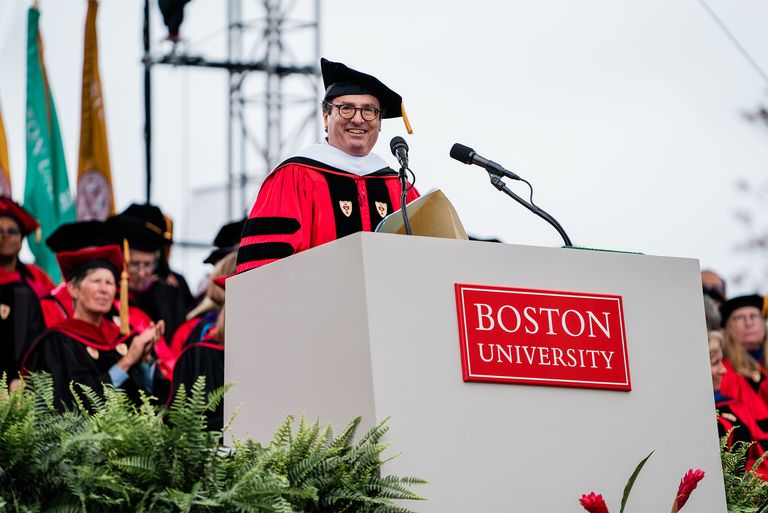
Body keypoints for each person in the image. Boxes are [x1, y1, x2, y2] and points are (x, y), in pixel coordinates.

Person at [236, 58, 420, 273]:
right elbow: (262, 269)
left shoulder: (400, 188)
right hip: (314, 304)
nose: (358, 119)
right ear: (326, 117)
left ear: (379, 123)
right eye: (346, 109)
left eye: (369, 111)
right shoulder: (294, 177)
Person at [20, 245, 164, 409]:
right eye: (96, 281)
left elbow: (148, 401)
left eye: (109, 283)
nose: (104, 289)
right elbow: (70, 405)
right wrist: (128, 361)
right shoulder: (57, 342)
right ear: (73, 289)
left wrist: (144, 361)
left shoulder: (121, 339)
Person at [0, 197, 56, 298]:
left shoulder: (36, 275)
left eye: (12, 231)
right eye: (0, 231)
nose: (5, 236)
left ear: (21, 239)